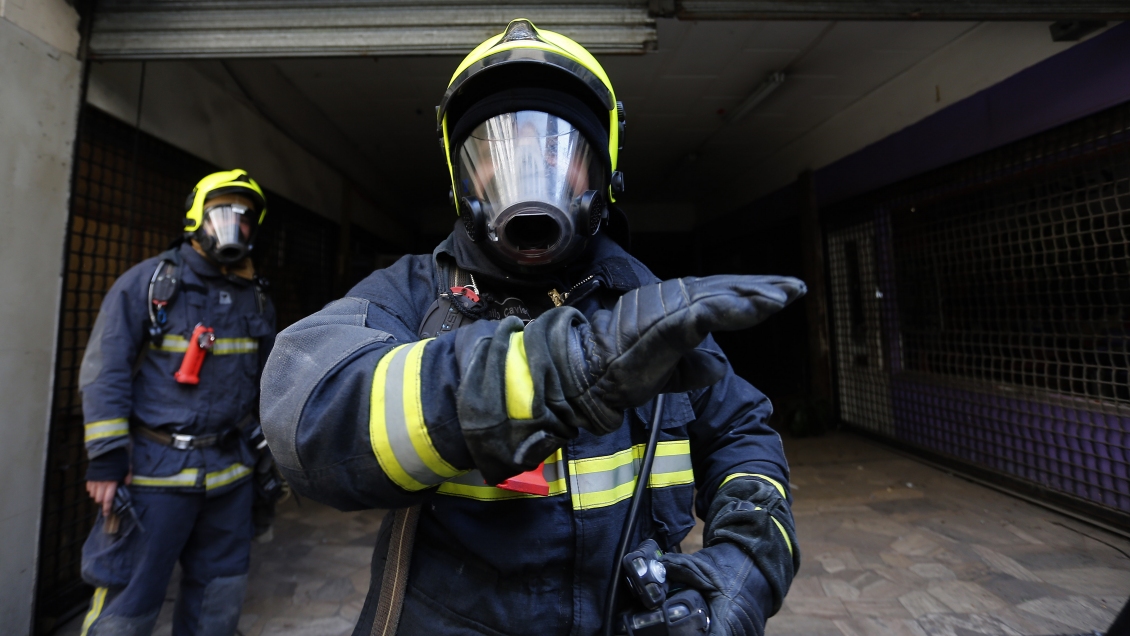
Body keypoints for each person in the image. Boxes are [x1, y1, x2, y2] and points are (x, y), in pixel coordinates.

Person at [261, 19, 802, 636]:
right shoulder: (414, 295)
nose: (525, 170)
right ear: (463, 177)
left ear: (601, 173)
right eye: (496, 149)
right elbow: (302, 416)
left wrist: (743, 571)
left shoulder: (653, 304)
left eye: (554, 148)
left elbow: (741, 432)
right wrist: (557, 371)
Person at [78, 169, 278, 636]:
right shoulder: (149, 284)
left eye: (245, 217)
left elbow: (272, 381)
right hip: (153, 476)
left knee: (218, 601)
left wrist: (271, 457)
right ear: (197, 218)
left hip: (230, 476)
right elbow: (104, 369)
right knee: (127, 601)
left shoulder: (258, 298)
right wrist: (106, 457)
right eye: (222, 213)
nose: (234, 225)